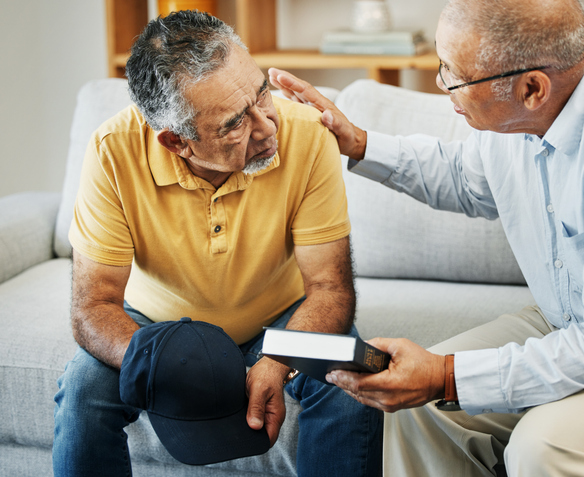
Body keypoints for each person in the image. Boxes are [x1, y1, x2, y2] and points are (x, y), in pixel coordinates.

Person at [269, 0, 584, 475]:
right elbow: (474, 179)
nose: (440, 82)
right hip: (574, 317)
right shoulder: (543, 86)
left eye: (453, 73)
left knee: (546, 447)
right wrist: (359, 142)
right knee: (413, 407)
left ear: (532, 88)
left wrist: (446, 377)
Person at [52, 11, 382, 477]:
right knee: (83, 392)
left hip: (279, 319)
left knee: (351, 378)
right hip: (158, 325)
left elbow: (331, 289)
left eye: (261, 93)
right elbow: (93, 306)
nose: (268, 127)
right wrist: (168, 365)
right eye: (234, 124)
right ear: (176, 142)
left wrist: (276, 360)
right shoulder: (112, 151)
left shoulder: (307, 134)